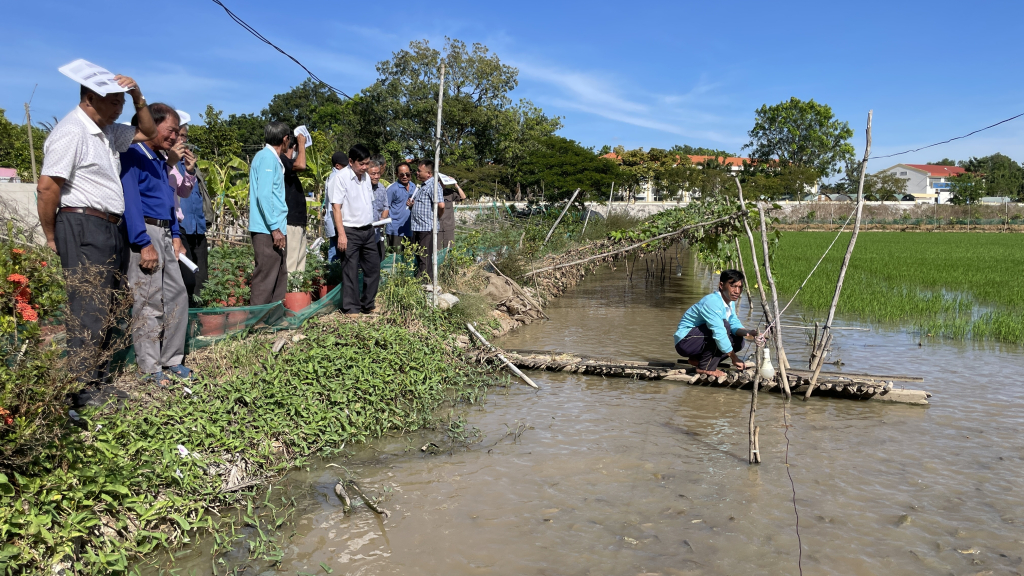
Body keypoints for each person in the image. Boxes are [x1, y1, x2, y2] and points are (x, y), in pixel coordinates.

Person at [37, 73, 157, 407]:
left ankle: (99, 382)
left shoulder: (108, 132)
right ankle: (81, 391)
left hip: (108, 227)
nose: (120, 107)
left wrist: (138, 97)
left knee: (109, 305)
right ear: (90, 97)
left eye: (122, 101)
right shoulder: (72, 131)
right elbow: (48, 187)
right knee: (88, 306)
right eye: (114, 100)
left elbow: (148, 132)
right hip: (82, 222)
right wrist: (51, 235)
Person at [120, 103, 193, 384]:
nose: (175, 137)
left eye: (177, 132)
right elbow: (132, 203)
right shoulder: (132, 155)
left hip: (165, 232)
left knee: (177, 297)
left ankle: (172, 359)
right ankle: (150, 368)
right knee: (149, 303)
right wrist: (142, 242)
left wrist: (175, 235)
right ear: (149, 124)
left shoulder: (160, 161)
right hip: (147, 233)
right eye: (171, 130)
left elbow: (169, 202)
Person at [674, 269, 758, 377]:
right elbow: (719, 333)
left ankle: (698, 360)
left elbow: (734, 324)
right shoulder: (712, 302)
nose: (737, 291)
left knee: (738, 340)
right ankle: (705, 368)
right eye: (733, 286)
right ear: (721, 285)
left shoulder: (730, 303)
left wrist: (749, 332)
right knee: (723, 328)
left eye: (740, 287)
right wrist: (735, 359)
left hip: (697, 339)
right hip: (685, 341)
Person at [331, 144, 380, 315]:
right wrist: (341, 234)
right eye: (362, 164)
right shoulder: (340, 178)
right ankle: (351, 308)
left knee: (373, 267)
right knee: (350, 271)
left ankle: (367, 303)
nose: (365, 167)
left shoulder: (366, 177)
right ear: (351, 161)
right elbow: (336, 208)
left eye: (367, 163)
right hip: (350, 231)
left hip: (367, 230)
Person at [248, 122, 290, 306]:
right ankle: (257, 321)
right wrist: (274, 228)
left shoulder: (272, 158)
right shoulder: (266, 158)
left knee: (279, 273)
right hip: (267, 229)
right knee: (265, 275)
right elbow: (264, 195)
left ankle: (274, 317)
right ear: (285, 139)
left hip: (275, 226)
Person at [176, 123, 213, 305]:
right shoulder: (169, 164)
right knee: (186, 279)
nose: (183, 141)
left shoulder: (191, 164)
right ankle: (186, 317)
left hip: (198, 227)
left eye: (185, 137)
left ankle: (199, 316)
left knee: (201, 277)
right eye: (180, 136)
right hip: (180, 229)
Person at [408, 160, 443, 282]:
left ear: (429, 173)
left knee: (425, 257)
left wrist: (436, 218)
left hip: (427, 227)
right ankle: (423, 280)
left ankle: (425, 282)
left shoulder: (434, 185)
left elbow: (441, 205)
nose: (416, 173)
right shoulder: (423, 186)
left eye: (419, 171)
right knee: (419, 256)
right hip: (418, 227)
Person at [282, 131, 308, 273]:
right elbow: (301, 165)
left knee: (299, 263)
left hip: (298, 222)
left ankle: (297, 293)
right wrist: (302, 144)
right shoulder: (282, 160)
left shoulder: (288, 163)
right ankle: (289, 293)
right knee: (291, 264)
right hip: (290, 221)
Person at [384, 161, 415, 249]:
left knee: (408, 258)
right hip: (395, 230)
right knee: (394, 258)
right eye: (402, 174)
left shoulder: (414, 187)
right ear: (396, 174)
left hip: (409, 229)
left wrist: (413, 205)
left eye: (407, 174)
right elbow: (386, 207)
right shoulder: (392, 189)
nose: (405, 176)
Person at [324, 151, 348, 262]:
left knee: (335, 248)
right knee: (335, 250)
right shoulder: (336, 177)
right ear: (337, 166)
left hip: (334, 218)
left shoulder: (333, 176)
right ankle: (333, 275)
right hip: (335, 219)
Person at [368, 155, 389, 257]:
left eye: (378, 173)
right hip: (363, 232)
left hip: (376, 233)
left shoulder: (381, 188)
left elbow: (386, 206)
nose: (376, 176)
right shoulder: (361, 188)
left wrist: (383, 219)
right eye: (373, 174)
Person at [439, 180, 466, 249]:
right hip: (436, 227)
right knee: (437, 251)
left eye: (443, 182)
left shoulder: (449, 193)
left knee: (449, 249)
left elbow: (463, 197)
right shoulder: (432, 192)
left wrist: (455, 184)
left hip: (448, 226)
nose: (442, 184)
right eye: (440, 182)